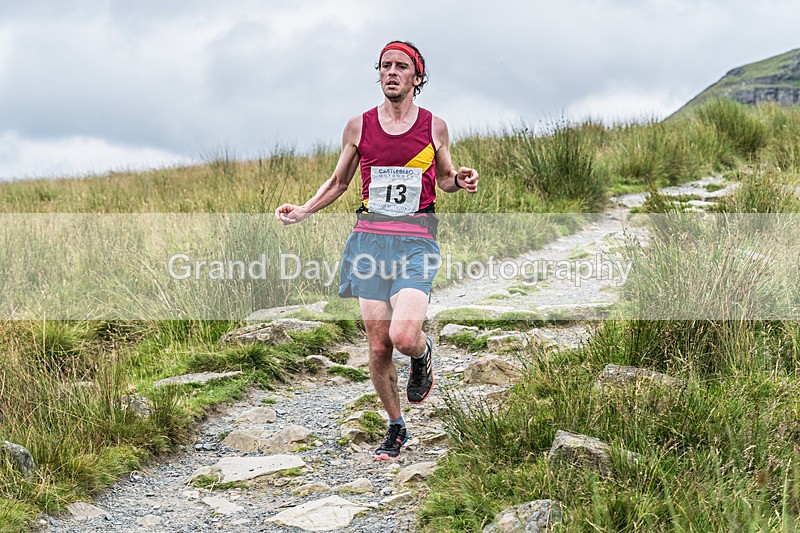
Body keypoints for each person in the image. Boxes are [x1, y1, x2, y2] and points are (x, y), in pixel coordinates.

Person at [275, 40, 478, 461]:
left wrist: (461, 179)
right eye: (385, 66)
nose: (391, 72)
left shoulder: (433, 126)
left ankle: (423, 354)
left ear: (416, 78)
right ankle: (396, 427)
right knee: (378, 345)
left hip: (416, 241)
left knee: (403, 337)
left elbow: (443, 179)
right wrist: (304, 210)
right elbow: (338, 182)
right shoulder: (358, 126)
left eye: (401, 66)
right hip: (369, 241)